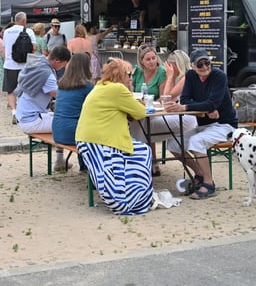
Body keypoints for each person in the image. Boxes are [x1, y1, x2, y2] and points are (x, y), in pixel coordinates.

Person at [75, 57, 153, 215]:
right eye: (129, 74)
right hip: (100, 141)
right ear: (122, 75)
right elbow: (140, 113)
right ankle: (133, 198)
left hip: (88, 139)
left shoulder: (100, 86)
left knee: (141, 150)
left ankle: (133, 193)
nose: (131, 78)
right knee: (144, 151)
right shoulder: (118, 89)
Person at [164, 49, 238, 200]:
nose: (205, 67)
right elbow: (185, 99)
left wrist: (193, 107)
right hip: (205, 124)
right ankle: (200, 174)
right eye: (200, 64)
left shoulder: (219, 76)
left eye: (207, 62)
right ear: (192, 66)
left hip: (225, 124)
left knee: (196, 141)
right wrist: (205, 108)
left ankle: (209, 184)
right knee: (173, 144)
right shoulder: (191, 76)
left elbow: (211, 103)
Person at [129, 46, 197, 176]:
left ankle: (145, 161)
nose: (168, 69)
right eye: (148, 59)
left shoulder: (186, 76)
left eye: (154, 58)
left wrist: (170, 77)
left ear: (177, 64)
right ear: (141, 61)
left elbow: (166, 98)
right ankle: (146, 161)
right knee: (140, 122)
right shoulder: (138, 71)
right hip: (171, 113)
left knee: (142, 124)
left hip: (186, 118)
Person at [15, 46, 71, 170]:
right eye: (63, 65)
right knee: (65, 123)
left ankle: (60, 159)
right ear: (57, 61)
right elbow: (59, 95)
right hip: (32, 120)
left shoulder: (36, 61)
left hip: (23, 115)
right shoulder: (48, 74)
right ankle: (61, 160)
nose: (63, 68)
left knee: (59, 118)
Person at [52, 53, 94, 171]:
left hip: (57, 130)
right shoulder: (87, 86)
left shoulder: (62, 84)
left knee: (81, 125)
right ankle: (88, 167)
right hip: (74, 132)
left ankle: (84, 167)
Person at [2, 12, 37, 123]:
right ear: (24, 21)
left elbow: (5, 46)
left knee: (11, 90)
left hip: (9, 65)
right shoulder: (29, 31)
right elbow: (34, 47)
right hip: (25, 65)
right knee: (25, 89)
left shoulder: (6, 32)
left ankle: (14, 111)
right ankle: (23, 111)